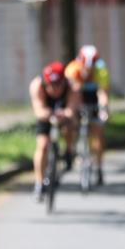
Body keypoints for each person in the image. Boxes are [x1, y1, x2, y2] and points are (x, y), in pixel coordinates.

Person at [29, 61, 79, 202]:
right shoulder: (36, 86)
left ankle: (69, 151)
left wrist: (66, 114)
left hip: (64, 113)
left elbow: (72, 109)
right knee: (42, 146)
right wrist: (50, 114)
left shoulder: (72, 86)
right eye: (50, 85)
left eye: (58, 85)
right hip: (46, 114)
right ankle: (39, 183)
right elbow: (38, 110)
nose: (54, 89)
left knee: (70, 127)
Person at [65, 45, 110, 185]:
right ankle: (70, 150)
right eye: (86, 66)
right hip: (78, 94)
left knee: (98, 132)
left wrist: (103, 110)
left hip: (93, 96)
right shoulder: (73, 69)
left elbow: (102, 93)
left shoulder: (101, 69)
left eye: (91, 67)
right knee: (70, 125)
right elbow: (73, 93)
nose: (89, 69)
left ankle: (99, 166)